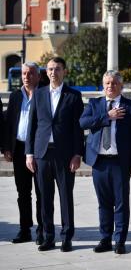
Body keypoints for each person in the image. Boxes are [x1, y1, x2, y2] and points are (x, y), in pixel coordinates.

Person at [79, 70, 131, 254]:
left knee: (121, 202)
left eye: (114, 83)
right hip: (99, 161)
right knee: (104, 203)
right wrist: (107, 116)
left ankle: (120, 241)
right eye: (107, 83)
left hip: (120, 162)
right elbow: (83, 123)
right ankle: (105, 239)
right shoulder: (95, 104)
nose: (110, 86)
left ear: (121, 86)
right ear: (103, 85)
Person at [25, 57, 84, 252]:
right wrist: (29, 154)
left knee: (66, 197)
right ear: (46, 72)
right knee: (44, 198)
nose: (53, 72)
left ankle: (67, 237)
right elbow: (31, 126)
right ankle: (48, 237)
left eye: (57, 69)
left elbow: (78, 129)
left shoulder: (74, 96)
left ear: (64, 71)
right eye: (50, 69)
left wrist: (77, 154)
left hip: (65, 155)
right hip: (42, 154)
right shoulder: (38, 94)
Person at [3, 62, 43, 245]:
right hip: (19, 149)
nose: (27, 76)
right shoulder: (16, 96)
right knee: (23, 192)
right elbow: (9, 123)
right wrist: (6, 147)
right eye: (24, 73)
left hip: (40, 150)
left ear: (38, 76)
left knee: (42, 192)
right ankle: (25, 229)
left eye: (31, 73)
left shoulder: (44, 94)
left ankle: (42, 229)